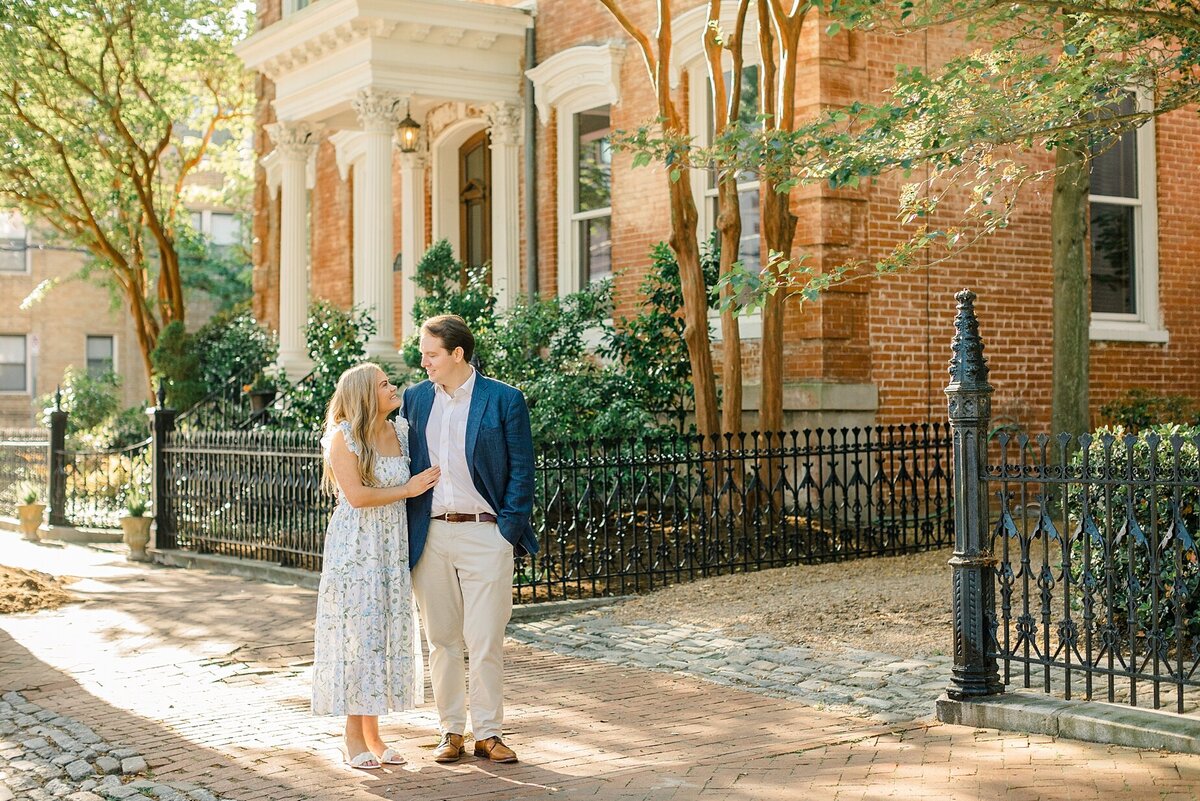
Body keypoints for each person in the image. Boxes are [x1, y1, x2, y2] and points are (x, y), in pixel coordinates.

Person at [403, 314, 539, 764]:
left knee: (485, 638)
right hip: (433, 533)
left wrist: (507, 531)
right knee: (441, 637)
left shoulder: (504, 399)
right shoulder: (415, 399)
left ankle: (489, 733)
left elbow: (522, 470)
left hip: (486, 533)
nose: (423, 362)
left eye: (431, 354)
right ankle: (450, 731)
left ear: (457, 353)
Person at [311, 363, 440, 770]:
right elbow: (357, 496)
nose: (392, 387)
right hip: (356, 551)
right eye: (384, 384)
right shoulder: (343, 437)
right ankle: (351, 736)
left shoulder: (401, 432)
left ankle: (374, 734)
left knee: (380, 638)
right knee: (359, 639)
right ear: (367, 394)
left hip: (390, 549)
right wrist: (408, 488)